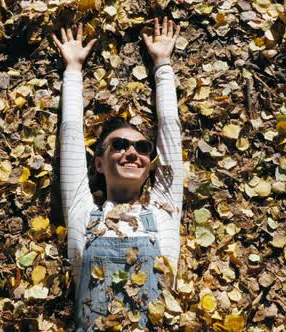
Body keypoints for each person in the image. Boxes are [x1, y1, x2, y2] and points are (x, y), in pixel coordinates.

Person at [52, 17, 183, 330]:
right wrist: (73, 69)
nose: (132, 152)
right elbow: (70, 136)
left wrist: (162, 63)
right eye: (120, 145)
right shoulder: (84, 212)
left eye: (142, 147)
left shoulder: (164, 209)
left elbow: (170, 132)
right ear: (99, 163)